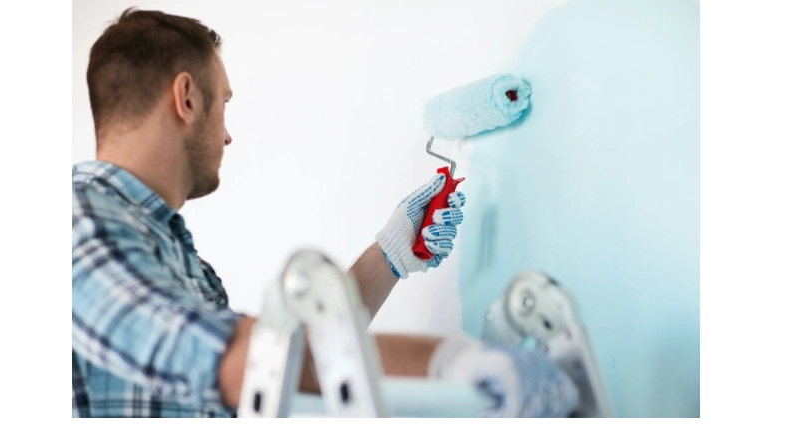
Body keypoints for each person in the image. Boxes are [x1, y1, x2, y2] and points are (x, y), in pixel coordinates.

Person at [71, 7, 579, 419]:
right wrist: (453, 363)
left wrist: (392, 252)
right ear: (185, 98)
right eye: (223, 104)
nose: (227, 134)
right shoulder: (79, 223)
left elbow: (290, 357)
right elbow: (248, 361)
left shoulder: (171, 257)